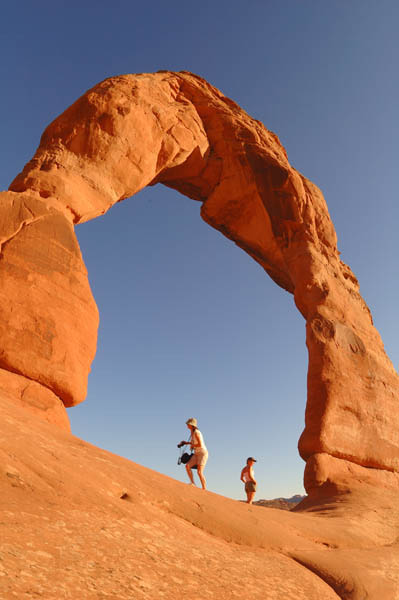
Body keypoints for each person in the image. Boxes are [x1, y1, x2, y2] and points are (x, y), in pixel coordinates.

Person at [179, 418, 208, 490]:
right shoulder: (192, 432)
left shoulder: (197, 432)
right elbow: (194, 443)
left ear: (192, 425)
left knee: (199, 472)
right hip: (196, 453)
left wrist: (192, 446)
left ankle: (204, 489)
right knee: (187, 466)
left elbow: (200, 444)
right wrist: (186, 443)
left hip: (202, 453)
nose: (187, 425)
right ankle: (193, 483)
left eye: (188, 424)